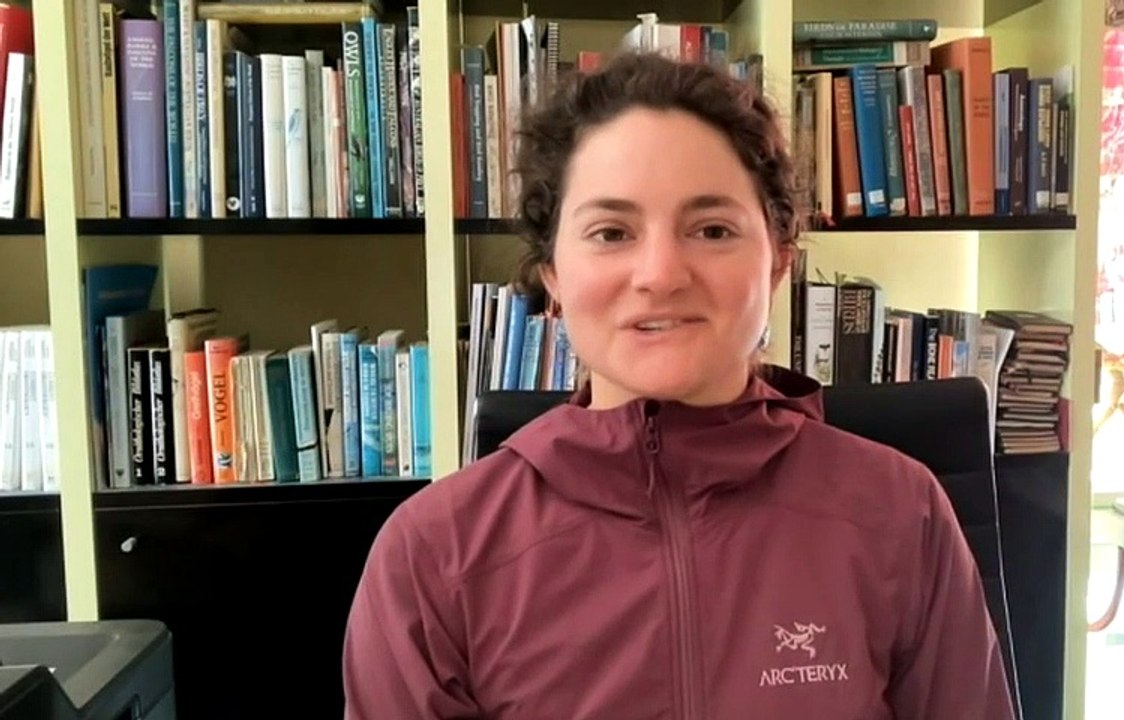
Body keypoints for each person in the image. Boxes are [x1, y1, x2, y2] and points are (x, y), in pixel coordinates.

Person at [342, 51, 1016, 719]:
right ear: (553, 276)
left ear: (779, 263)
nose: (661, 273)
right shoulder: (431, 555)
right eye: (611, 232)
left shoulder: (902, 514)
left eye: (712, 229)